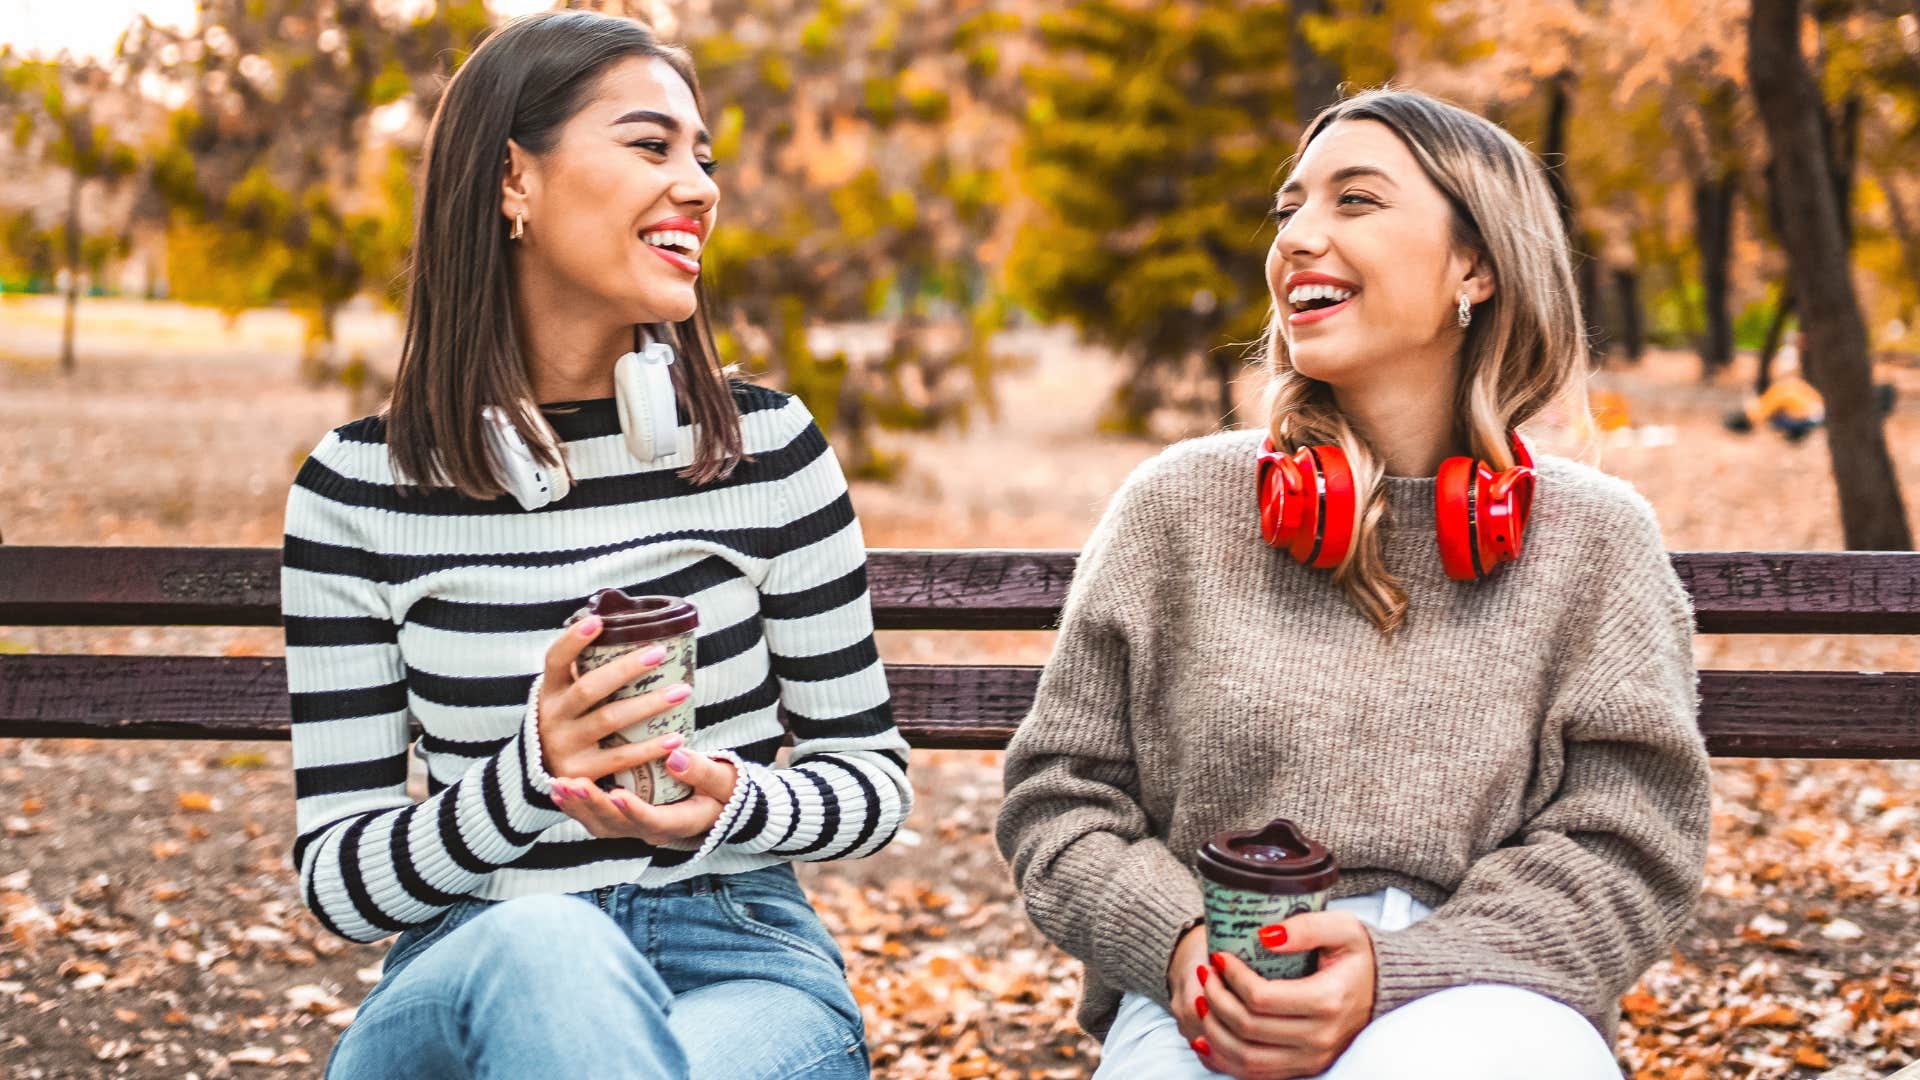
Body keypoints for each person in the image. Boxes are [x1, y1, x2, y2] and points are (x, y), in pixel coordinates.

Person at [995, 89, 1712, 1080]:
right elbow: (1060, 803)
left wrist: (1402, 972)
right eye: (1290, 209)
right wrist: (1177, 945)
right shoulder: (1177, 508)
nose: (1297, 237)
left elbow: (1629, 851)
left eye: (1355, 201)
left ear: (1478, 264)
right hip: (1212, 991)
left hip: (1485, 992)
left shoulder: (1597, 542)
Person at [281, 12, 910, 1078]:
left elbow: (872, 783)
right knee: (546, 942)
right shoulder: (357, 492)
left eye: (703, 158)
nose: (702, 187)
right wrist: (531, 775)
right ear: (512, 179)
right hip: (467, 968)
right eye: (651, 145)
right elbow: (341, 882)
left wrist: (739, 803)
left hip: (736, 962)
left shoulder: (769, 454)